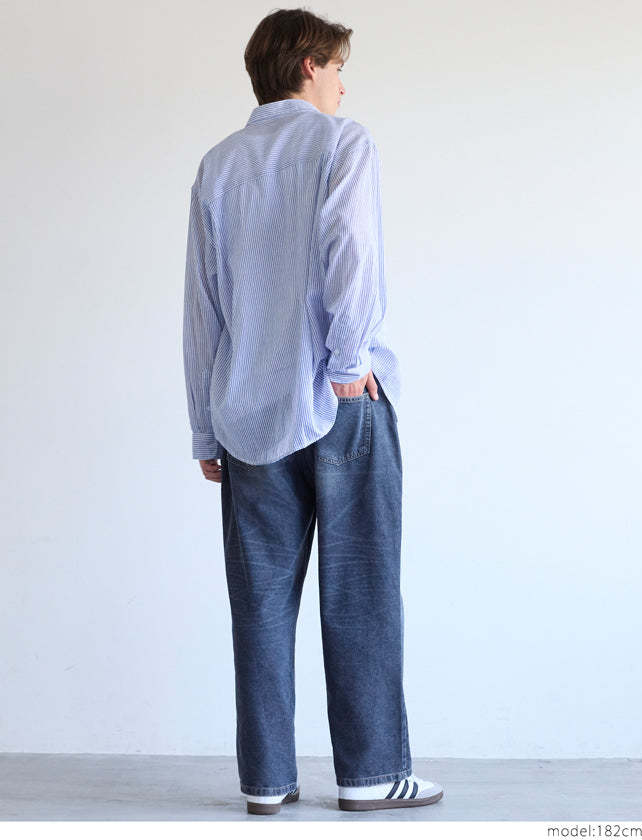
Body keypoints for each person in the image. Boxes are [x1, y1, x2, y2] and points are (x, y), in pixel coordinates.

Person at [182, 7, 444, 816]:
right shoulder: (341, 143)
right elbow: (351, 254)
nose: (341, 85)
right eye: (336, 68)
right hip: (341, 403)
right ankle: (370, 773)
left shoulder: (218, 165)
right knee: (360, 587)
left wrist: (203, 425)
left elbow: (203, 308)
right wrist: (349, 364)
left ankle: (265, 782)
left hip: (247, 415)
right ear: (307, 66)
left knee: (259, 602)